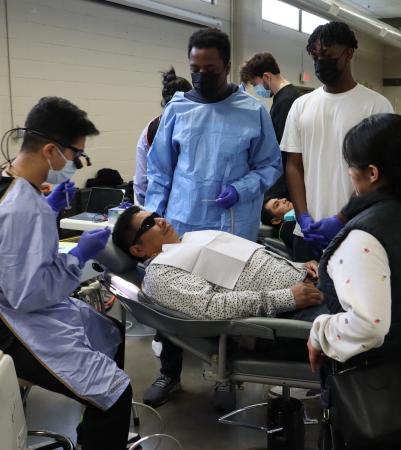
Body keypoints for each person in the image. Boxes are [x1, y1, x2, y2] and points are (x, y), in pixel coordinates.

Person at [0, 97, 132, 450]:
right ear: (50, 150)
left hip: (24, 305)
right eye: (75, 155)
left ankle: (91, 411)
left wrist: (49, 207)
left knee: (110, 330)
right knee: (115, 391)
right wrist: (78, 256)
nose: (74, 164)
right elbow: (28, 295)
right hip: (15, 324)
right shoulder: (22, 208)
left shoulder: (14, 187)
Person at [307, 113, 401, 450]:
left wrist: (319, 331)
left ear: (372, 173)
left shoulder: (365, 235)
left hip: (375, 390)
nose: (349, 176)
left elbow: (369, 325)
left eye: (350, 167)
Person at [112, 206, 325, 409]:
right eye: (149, 223)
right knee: (354, 333)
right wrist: (287, 297)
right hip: (286, 317)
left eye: (156, 215)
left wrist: (298, 267)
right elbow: (212, 308)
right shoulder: (161, 275)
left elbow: (254, 258)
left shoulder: (192, 240)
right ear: (138, 249)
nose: (161, 220)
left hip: (310, 283)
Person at [145, 28, 282, 242]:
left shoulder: (252, 112)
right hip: (183, 222)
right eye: (195, 69)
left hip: (234, 225)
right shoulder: (177, 109)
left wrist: (241, 189)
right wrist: (152, 221)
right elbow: (160, 172)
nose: (201, 75)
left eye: (210, 69)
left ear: (226, 67)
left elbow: (270, 165)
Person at [281, 21, 393, 262]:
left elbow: (380, 175)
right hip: (308, 233)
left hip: (359, 231)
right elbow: (294, 164)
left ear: (349, 53)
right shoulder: (301, 105)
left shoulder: (376, 105)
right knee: (309, 297)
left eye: (328, 55)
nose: (321, 62)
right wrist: (303, 218)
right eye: (315, 56)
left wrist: (341, 218)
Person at [240, 52, 301, 199]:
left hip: (286, 184)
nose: (256, 89)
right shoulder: (283, 98)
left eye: (255, 84)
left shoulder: (287, 101)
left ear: (267, 77)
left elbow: (284, 151)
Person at [134, 68, 192, 206]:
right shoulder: (198, 128)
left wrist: (150, 206)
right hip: (192, 207)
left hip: (158, 208)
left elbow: (141, 182)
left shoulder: (149, 130)